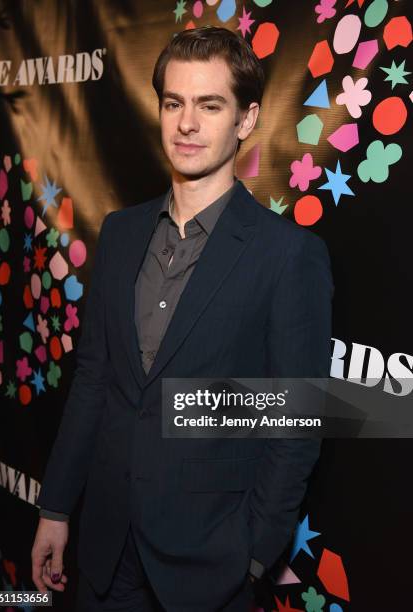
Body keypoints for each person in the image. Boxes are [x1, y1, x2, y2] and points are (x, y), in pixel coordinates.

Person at [31, 26, 334, 612]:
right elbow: (94, 381)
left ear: (246, 121)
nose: (187, 124)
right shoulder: (119, 233)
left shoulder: (288, 255)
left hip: (208, 568)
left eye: (209, 105)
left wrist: (252, 554)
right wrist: (56, 507)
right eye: (174, 103)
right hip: (104, 552)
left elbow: (293, 427)